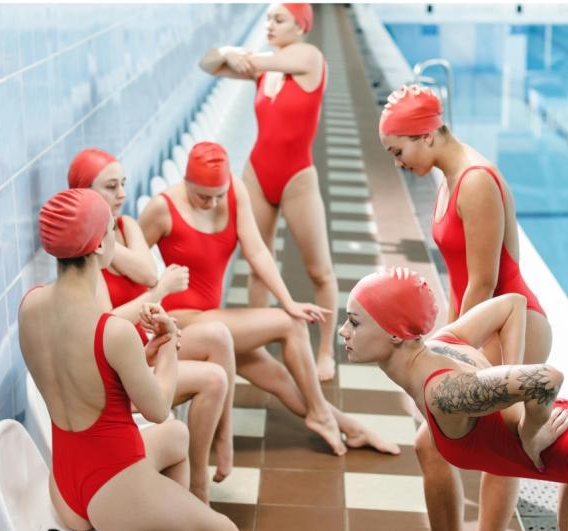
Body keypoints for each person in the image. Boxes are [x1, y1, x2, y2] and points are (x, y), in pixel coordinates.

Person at [19, 188, 321, 531]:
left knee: (178, 437)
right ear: (98, 247)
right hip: (112, 483)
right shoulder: (112, 331)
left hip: (65, 485)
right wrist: (168, 343)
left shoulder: (30, 306)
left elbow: (87, 386)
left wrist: (138, 359)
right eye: (112, 229)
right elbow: (159, 406)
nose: (117, 236)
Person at [338, 268, 568, 531]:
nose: (344, 331)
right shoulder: (443, 344)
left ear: (395, 333)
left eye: (354, 322)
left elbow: (545, 378)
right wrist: (512, 374)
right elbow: (511, 304)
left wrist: (531, 430)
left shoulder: (442, 393)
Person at [379, 84, 554, 531]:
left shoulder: (476, 180)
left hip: (509, 323)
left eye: (399, 151)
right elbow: (466, 279)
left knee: (432, 442)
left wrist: (446, 349)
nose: (398, 161)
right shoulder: (450, 176)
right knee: (472, 442)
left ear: (427, 135)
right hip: (484, 323)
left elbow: (485, 282)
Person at [138, 142, 399, 457]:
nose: (213, 203)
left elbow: (257, 249)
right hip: (183, 324)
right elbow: (130, 268)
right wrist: (146, 317)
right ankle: (320, 414)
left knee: (278, 376)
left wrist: (287, 299)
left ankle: (349, 427)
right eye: (203, 196)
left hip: (212, 318)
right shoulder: (162, 208)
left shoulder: (234, 191)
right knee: (290, 326)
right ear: (186, 183)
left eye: (219, 195)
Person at [67, 148, 237, 503]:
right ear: (84, 193)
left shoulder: (126, 227)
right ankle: (199, 486)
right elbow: (108, 325)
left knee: (219, 337)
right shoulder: (82, 259)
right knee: (214, 378)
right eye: (111, 187)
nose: (122, 195)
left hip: (141, 347)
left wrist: (106, 242)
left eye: (123, 184)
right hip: (117, 372)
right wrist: (158, 292)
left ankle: (222, 443)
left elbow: (146, 272)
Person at [199, 3, 339, 382]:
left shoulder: (309, 58)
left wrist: (241, 55)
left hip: (297, 178)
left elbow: (257, 61)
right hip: (257, 174)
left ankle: (325, 351)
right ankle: (255, 347)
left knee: (319, 270)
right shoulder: (265, 71)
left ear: (301, 26)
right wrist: (229, 53)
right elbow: (208, 65)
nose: (269, 26)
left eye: (279, 20)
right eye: (267, 19)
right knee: (258, 267)